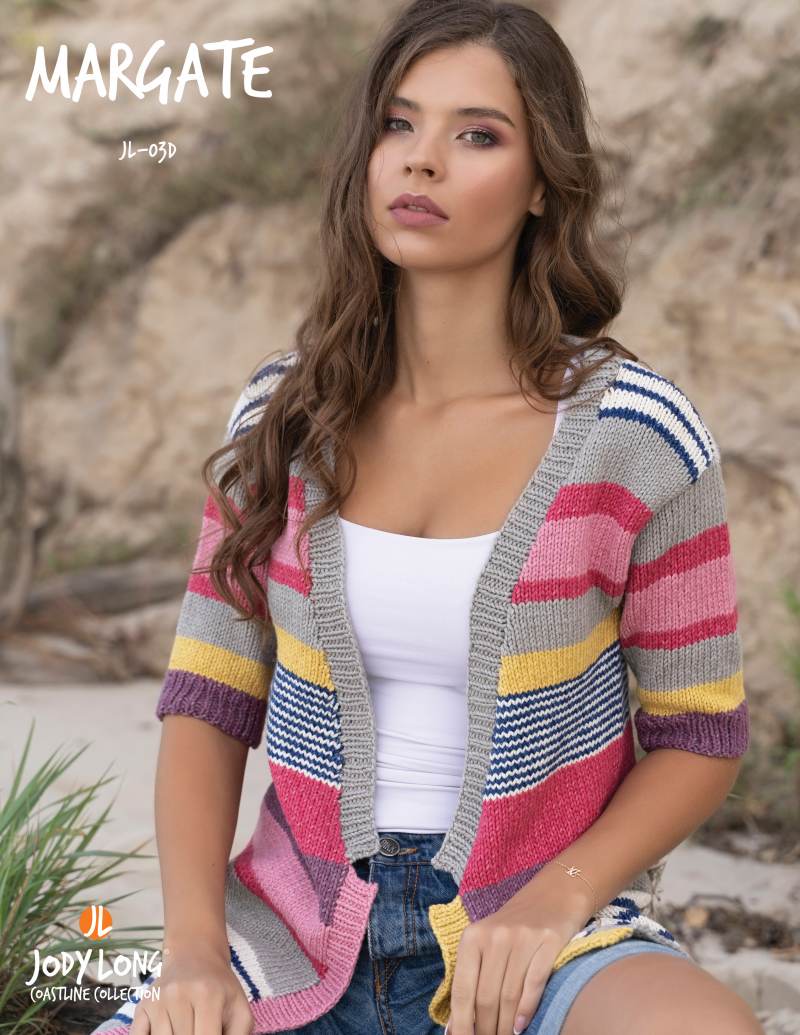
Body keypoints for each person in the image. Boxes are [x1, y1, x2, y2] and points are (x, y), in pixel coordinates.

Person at [89, 1, 763, 1033]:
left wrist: (554, 901)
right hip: (291, 924)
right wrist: (191, 953)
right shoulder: (284, 417)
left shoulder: (637, 436)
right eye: (397, 125)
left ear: (542, 184)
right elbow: (208, 702)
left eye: (477, 135)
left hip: (541, 930)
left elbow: (700, 732)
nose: (422, 160)